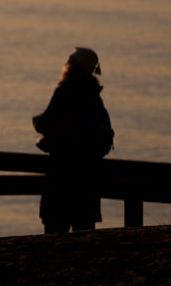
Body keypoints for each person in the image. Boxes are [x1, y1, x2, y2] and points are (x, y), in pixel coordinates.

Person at [33, 47, 114, 233]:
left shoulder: (64, 92)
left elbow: (44, 124)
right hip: (86, 179)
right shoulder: (94, 97)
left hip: (61, 175)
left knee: (54, 236)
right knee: (83, 242)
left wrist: (37, 121)